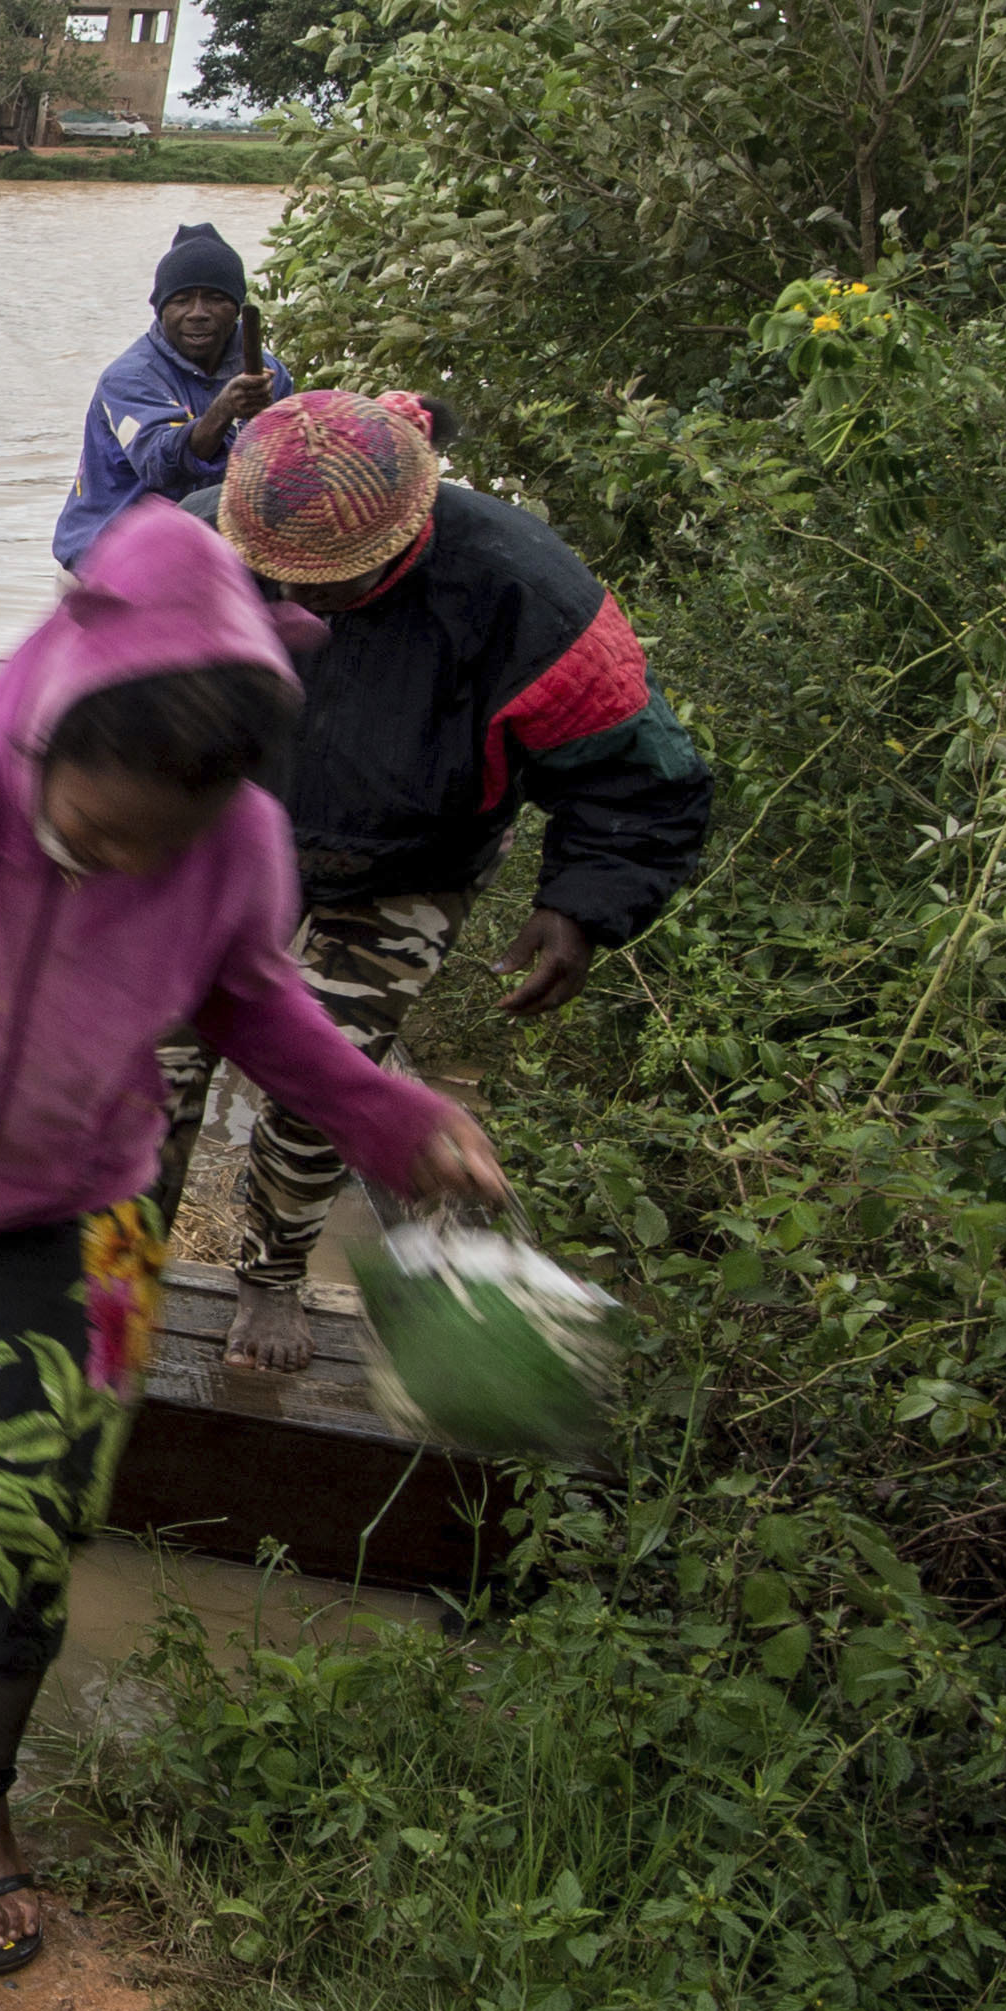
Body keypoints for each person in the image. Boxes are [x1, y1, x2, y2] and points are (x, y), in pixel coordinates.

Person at [0, 502, 506, 1977]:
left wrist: (395, 1118)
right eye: (89, 820)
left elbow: (256, 1003)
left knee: (17, 1506)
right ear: (53, 722)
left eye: (151, 844)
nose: (107, 856)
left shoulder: (238, 843)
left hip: (73, 1209)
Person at [154, 388, 714, 1370]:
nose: (305, 598)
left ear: (407, 530)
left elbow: (635, 767)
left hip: (403, 864)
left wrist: (579, 905)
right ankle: (116, 1265)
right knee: (144, 1074)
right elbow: (84, 712)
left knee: (322, 1082)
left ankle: (271, 1276)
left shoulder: (519, 590)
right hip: (211, 846)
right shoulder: (192, 552)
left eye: (332, 581)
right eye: (283, 578)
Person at [49, 219, 272, 568]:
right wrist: (225, 408)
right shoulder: (130, 378)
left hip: (208, 552)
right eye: (182, 300)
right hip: (111, 560)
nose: (198, 314)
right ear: (160, 309)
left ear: (237, 309)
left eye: (215, 299)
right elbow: (161, 464)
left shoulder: (264, 371)